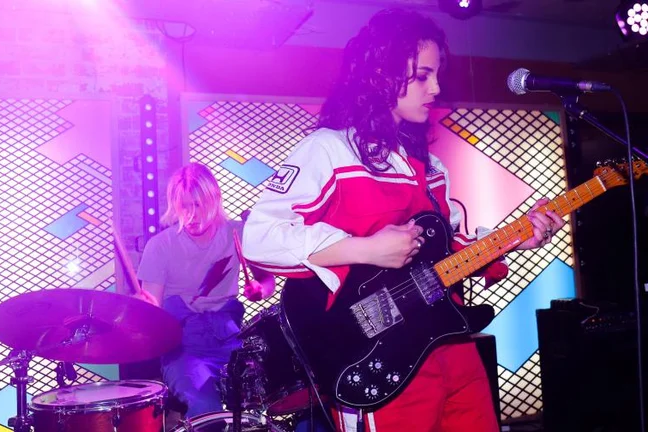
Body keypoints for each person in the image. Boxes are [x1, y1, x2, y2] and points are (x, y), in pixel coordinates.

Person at [242, 7, 565, 432]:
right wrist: (365, 249)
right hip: (378, 359)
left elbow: (447, 248)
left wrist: (515, 237)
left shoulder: (429, 165)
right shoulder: (329, 150)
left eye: (436, 74)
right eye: (421, 76)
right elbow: (258, 237)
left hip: (451, 345)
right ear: (379, 75)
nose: (435, 87)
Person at [136, 162, 275, 421]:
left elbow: (267, 280)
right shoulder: (160, 247)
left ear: (215, 199)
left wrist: (260, 290)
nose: (191, 215)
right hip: (184, 348)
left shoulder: (239, 234)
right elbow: (152, 308)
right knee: (205, 406)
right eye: (184, 206)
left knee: (272, 393)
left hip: (231, 340)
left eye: (198, 205)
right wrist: (142, 308)